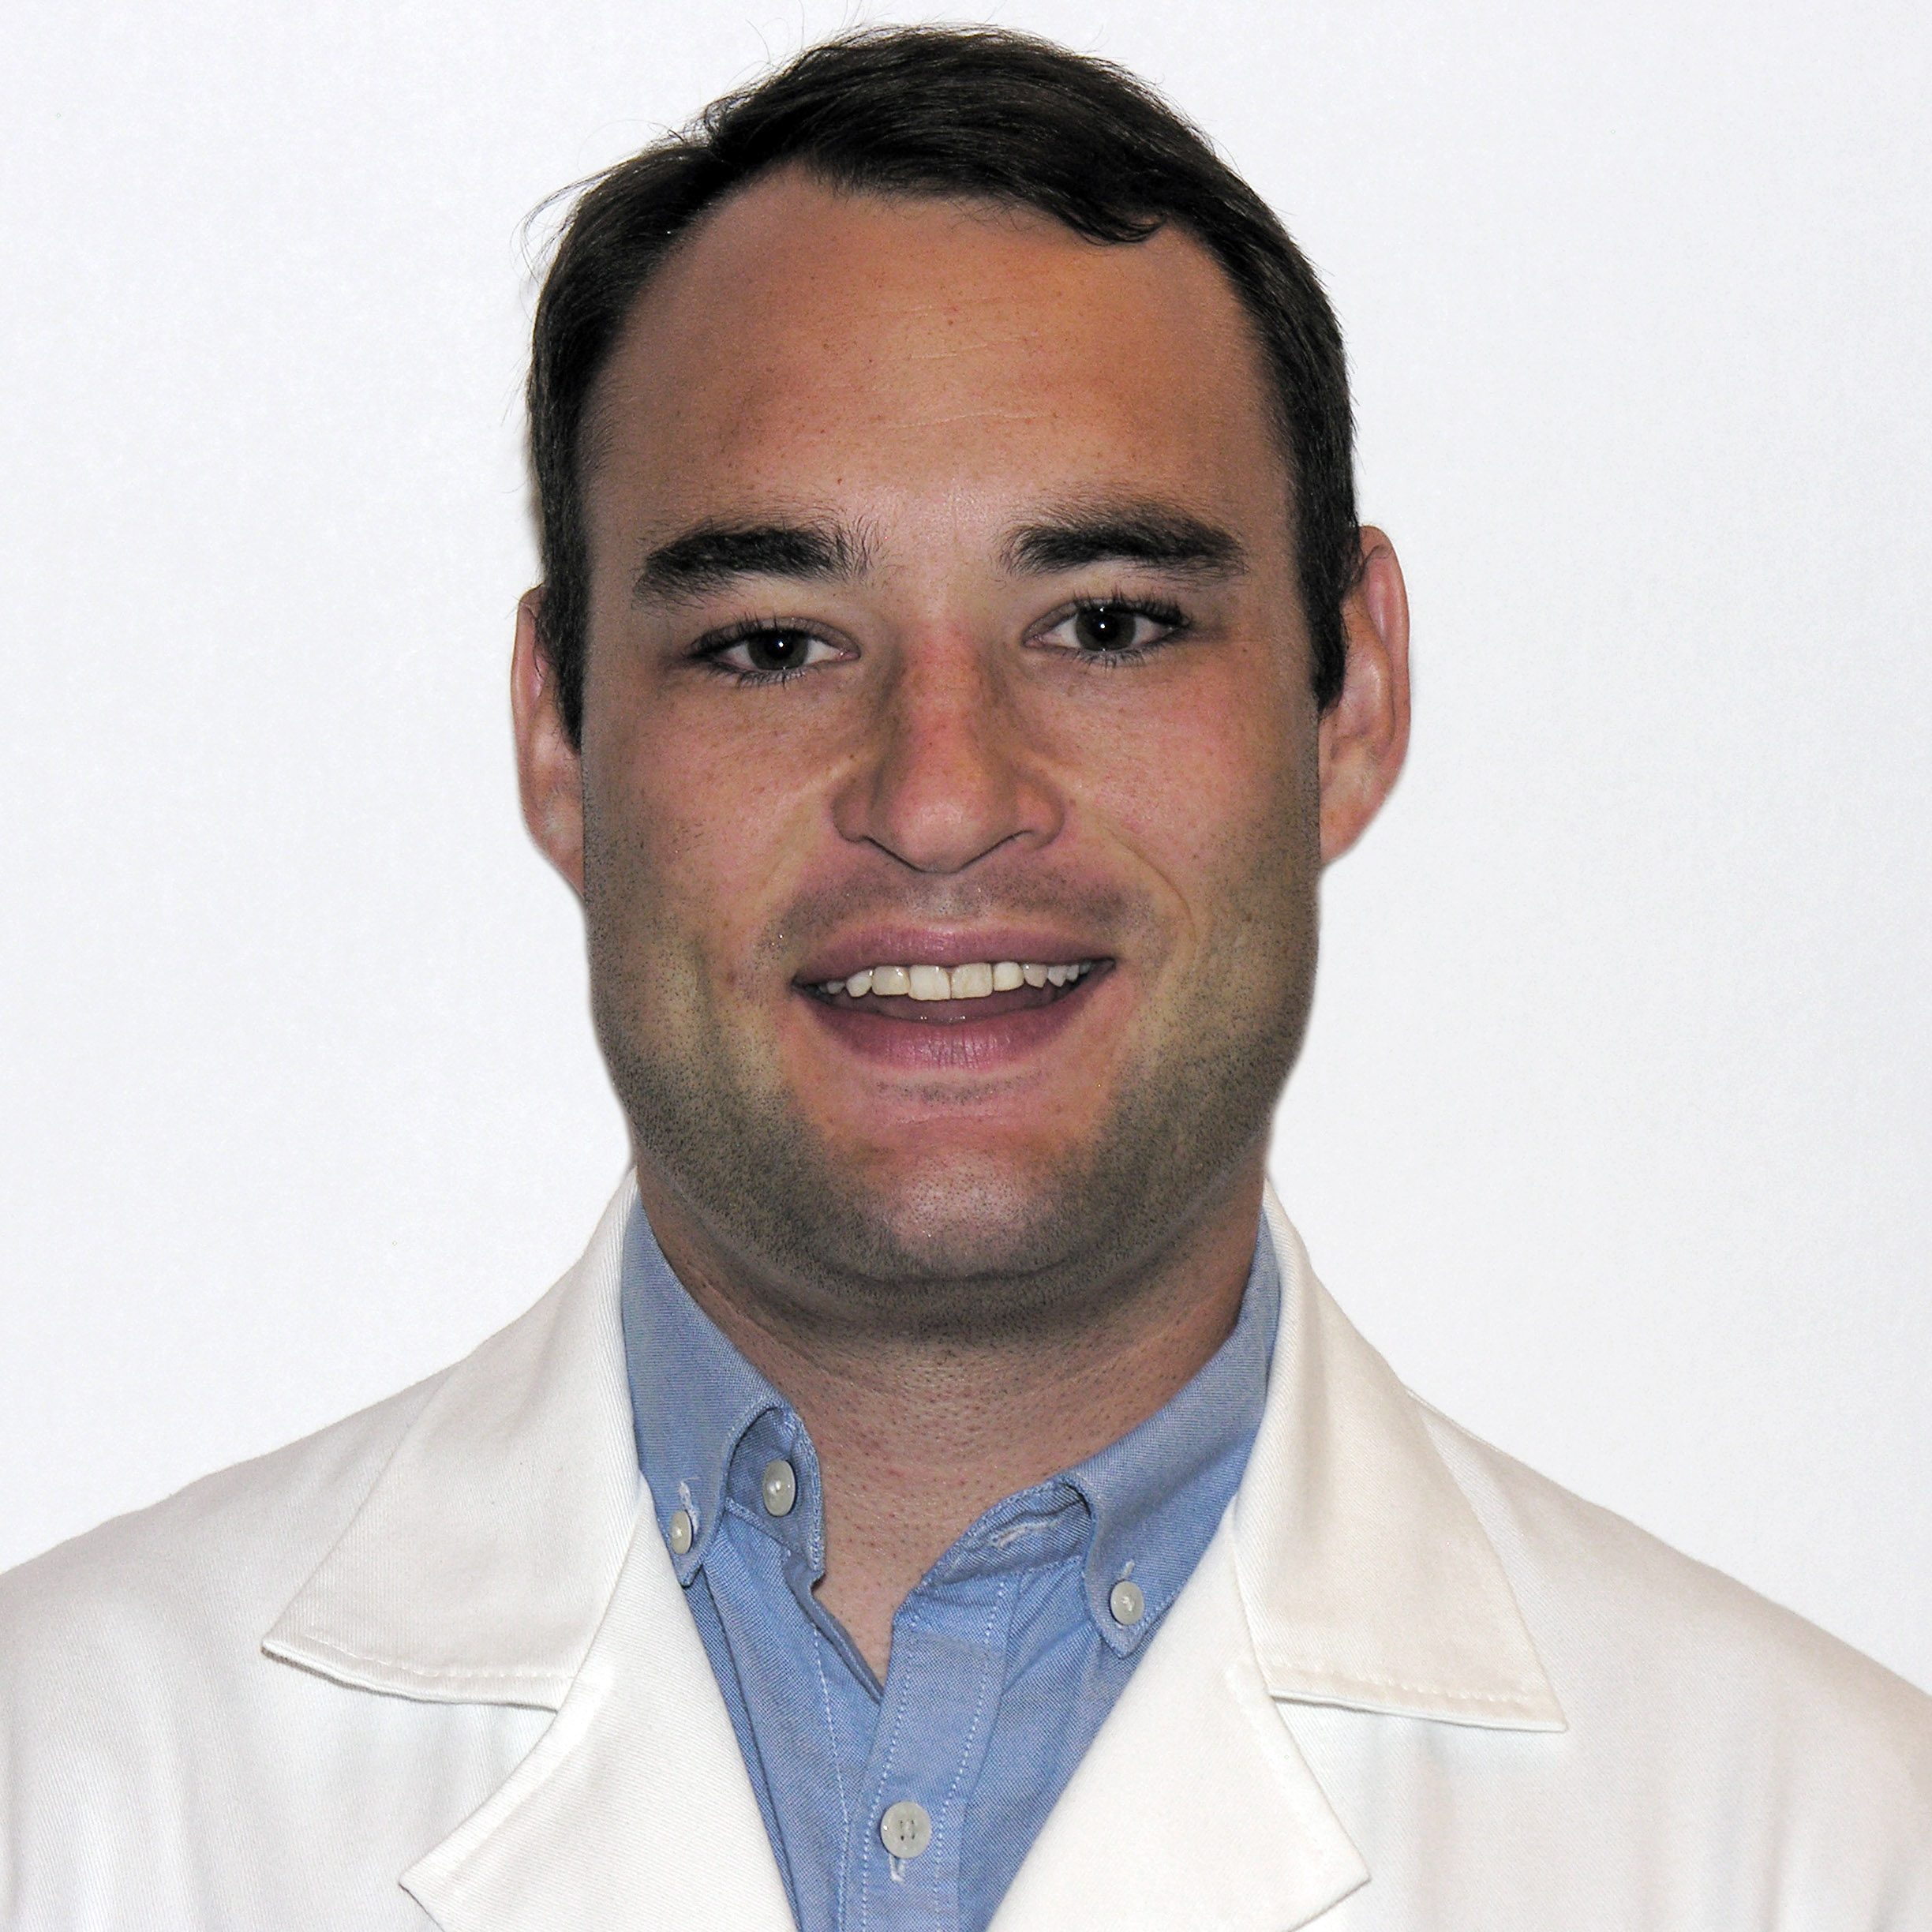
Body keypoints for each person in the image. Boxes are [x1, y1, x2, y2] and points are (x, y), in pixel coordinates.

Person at [1, 24, 1925, 1930]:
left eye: (1108, 624)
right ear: (560, 739)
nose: (939, 802)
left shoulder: (1834, 1852)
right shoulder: (59, 1792)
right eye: (773, 643)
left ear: (1351, 699)